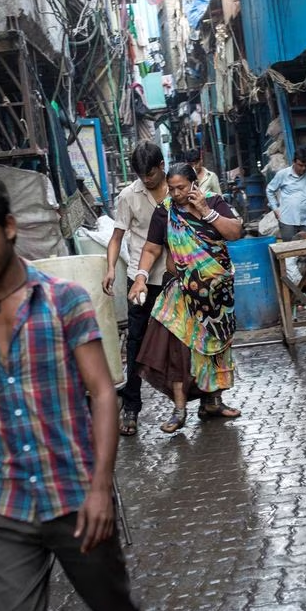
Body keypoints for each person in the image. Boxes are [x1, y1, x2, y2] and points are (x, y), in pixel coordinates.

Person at [0, 168, 139, 611]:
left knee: (116, 609)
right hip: (9, 505)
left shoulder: (64, 300)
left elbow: (103, 393)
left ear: (8, 228)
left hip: (76, 497)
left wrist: (101, 487)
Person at [127, 162, 243, 433]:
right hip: (181, 291)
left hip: (216, 296)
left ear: (194, 184)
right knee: (178, 351)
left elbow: (235, 233)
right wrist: (141, 276)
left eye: (181, 187)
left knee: (217, 348)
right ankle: (179, 410)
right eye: (172, 188)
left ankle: (213, 402)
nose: (176, 193)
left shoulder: (214, 202)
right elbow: (152, 248)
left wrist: (206, 212)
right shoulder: (164, 212)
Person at [103, 142, 169, 436]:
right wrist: (109, 269)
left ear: (162, 165)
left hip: (176, 275)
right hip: (140, 280)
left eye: (152, 174)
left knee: (187, 339)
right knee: (136, 342)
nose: (148, 179)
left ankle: (206, 400)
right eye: (142, 175)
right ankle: (131, 408)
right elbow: (117, 237)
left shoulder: (178, 188)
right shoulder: (128, 196)